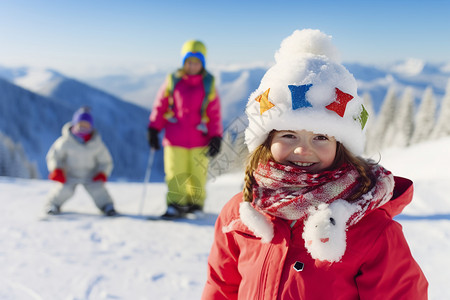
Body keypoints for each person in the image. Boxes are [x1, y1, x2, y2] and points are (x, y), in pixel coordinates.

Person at [202, 29, 428, 299]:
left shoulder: (372, 229)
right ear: (265, 141)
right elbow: (221, 288)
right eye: (288, 134)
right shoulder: (240, 214)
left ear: (340, 147)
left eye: (320, 137)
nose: (301, 149)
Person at [147, 40, 223, 219]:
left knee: (197, 174)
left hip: (199, 139)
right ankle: (175, 204)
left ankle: (195, 204)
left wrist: (216, 136)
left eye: (197, 62)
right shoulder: (173, 81)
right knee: (175, 173)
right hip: (175, 138)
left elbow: (214, 113)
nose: (192, 65)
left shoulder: (208, 84)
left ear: (202, 64)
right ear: (183, 62)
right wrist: (153, 128)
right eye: (189, 61)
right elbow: (160, 106)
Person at [44, 107, 117, 216]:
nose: (83, 128)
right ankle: (53, 205)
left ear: (91, 127)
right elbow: (54, 156)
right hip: (69, 174)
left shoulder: (96, 144)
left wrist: (103, 172)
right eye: (80, 125)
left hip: (90, 174)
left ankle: (107, 206)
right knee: (64, 190)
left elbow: (105, 161)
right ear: (74, 124)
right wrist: (56, 169)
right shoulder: (65, 141)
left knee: (98, 189)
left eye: (86, 125)